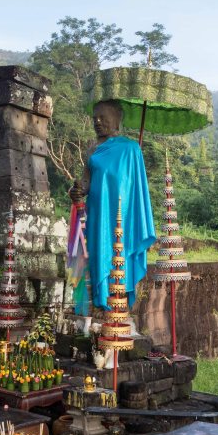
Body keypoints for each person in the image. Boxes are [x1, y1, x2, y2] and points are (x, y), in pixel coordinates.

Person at [69, 100, 156, 312]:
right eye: (95, 118)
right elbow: (86, 183)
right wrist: (78, 191)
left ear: (116, 120)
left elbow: (136, 187)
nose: (97, 122)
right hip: (98, 214)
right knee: (99, 254)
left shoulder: (131, 149)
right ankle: (101, 303)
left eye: (103, 118)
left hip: (124, 214)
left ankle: (120, 303)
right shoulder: (93, 150)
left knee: (120, 253)